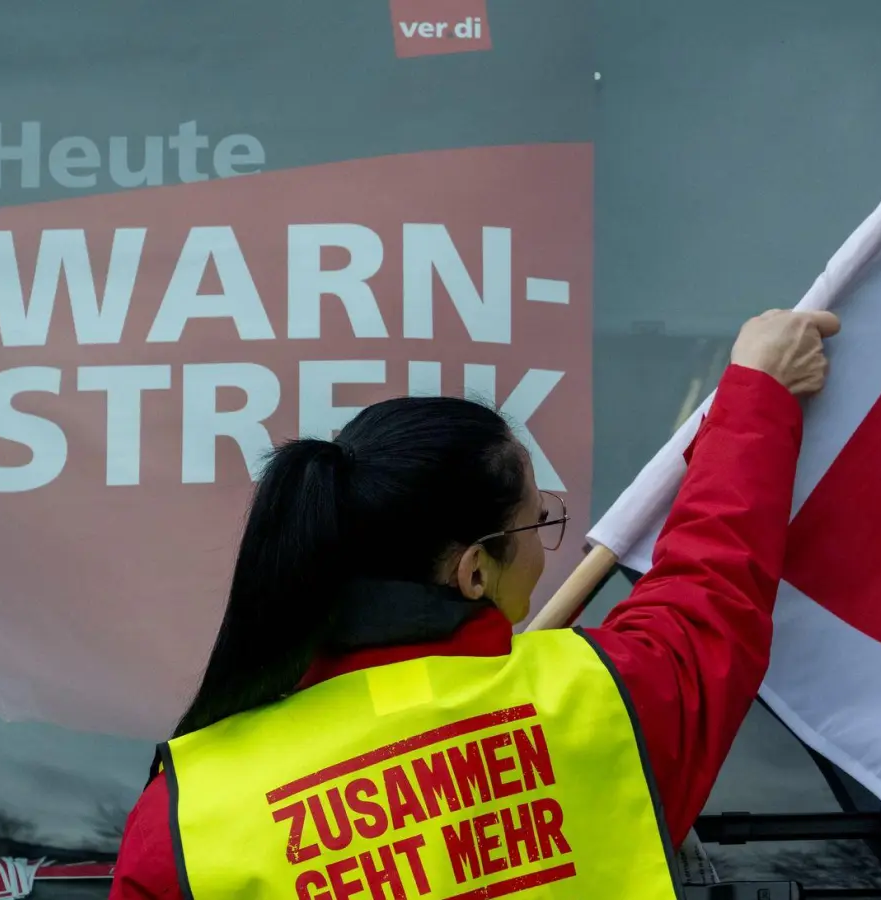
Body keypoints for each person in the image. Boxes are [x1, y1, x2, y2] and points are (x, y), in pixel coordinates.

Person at [109, 308, 841, 900]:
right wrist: (756, 393)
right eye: (536, 522)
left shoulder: (187, 814)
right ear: (472, 573)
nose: (547, 544)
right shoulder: (602, 704)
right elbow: (711, 587)